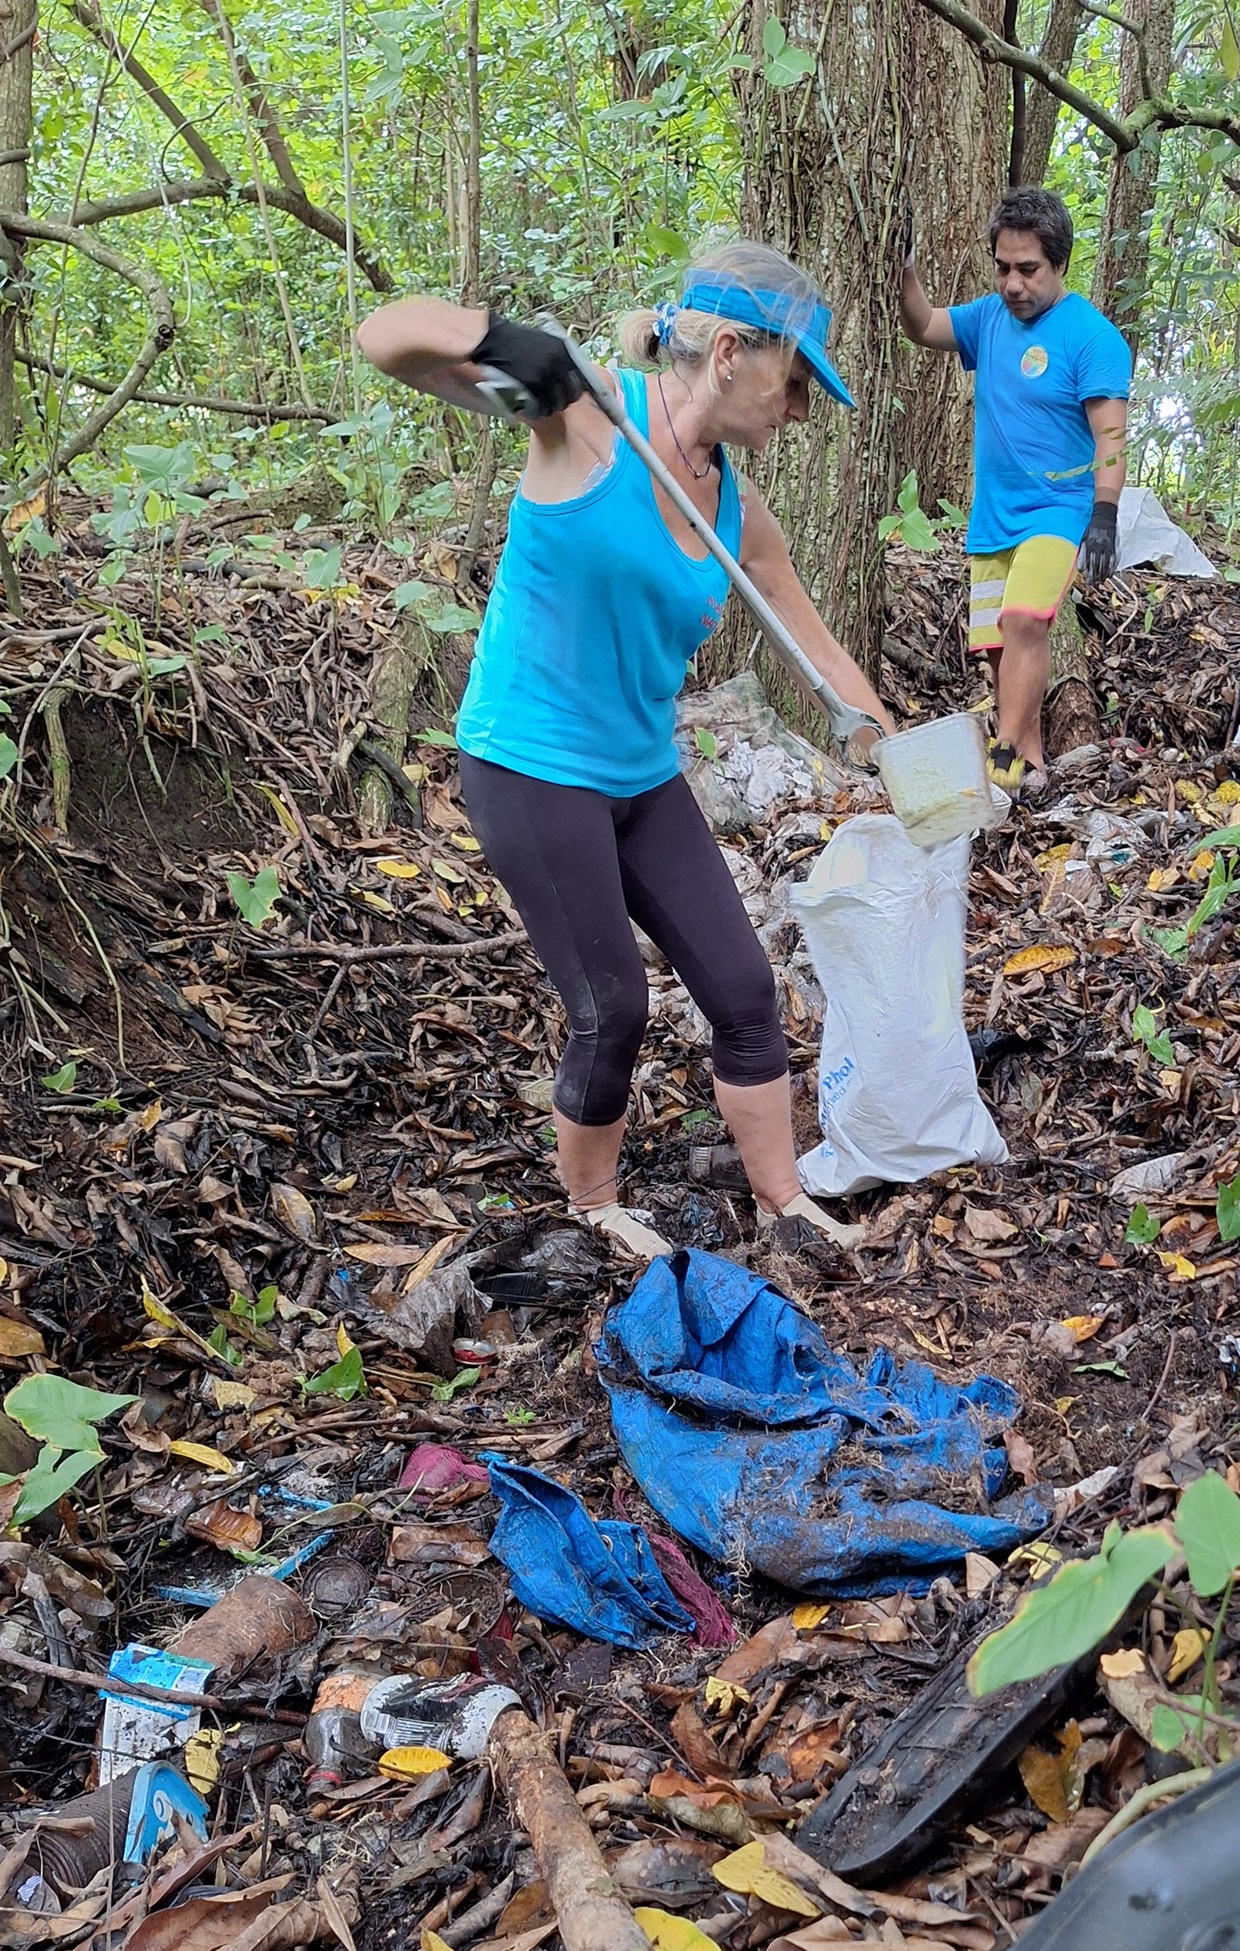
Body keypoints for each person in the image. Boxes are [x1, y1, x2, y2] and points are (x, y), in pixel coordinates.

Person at [356, 240, 890, 1264]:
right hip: (530, 764)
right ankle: (592, 1203)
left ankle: (786, 1200)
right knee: (614, 1005)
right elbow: (388, 339)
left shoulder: (737, 509)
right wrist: (514, 349)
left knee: (743, 990)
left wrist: (899, 756)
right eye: (795, 385)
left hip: (642, 774)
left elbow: (819, 648)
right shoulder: (588, 421)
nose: (800, 414)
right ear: (731, 352)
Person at [899, 185, 1132, 795]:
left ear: (1059, 264)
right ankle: (1032, 771)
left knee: (1026, 621)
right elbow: (923, 324)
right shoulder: (987, 319)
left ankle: (1002, 757)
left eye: (1027, 270)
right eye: (1002, 268)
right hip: (991, 519)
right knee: (1000, 650)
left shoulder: (1092, 337)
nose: (1012, 284)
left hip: (1058, 510)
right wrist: (903, 268)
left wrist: (1104, 514)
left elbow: (1110, 434)